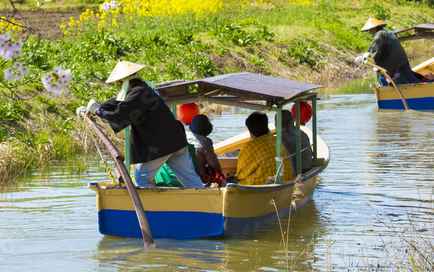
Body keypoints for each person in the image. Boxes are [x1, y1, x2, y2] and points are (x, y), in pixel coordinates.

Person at [79, 60, 204, 189]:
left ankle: (148, 203)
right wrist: (93, 109)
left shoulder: (138, 92)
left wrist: (98, 111)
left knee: (141, 177)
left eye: (119, 82)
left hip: (163, 144)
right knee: (191, 180)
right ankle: (206, 199)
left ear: (124, 80)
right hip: (176, 141)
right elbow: (118, 102)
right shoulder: (143, 89)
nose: (119, 85)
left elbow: (120, 114)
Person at [234, 112, 293, 186]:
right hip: (283, 182)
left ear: (250, 132)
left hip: (260, 187)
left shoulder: (250, 147)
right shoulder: (277, 141)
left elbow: (241, 175)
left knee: (233, 181)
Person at [359, 16, 420, 86]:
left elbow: (377, 48)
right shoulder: (385, 32)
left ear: (375, 28)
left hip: (393, 60)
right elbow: (374, 45)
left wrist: (372, 57)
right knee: (409, 77)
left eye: (371, 29)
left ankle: (385, 90)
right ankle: (420, 88)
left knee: (384, 77)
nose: (370, 31)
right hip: (402, 58)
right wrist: (366, 53)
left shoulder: (380, 34)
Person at [187, 114, 226, 186]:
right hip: (198, 177)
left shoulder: (185, 137)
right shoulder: (206, 143)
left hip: (185, 175)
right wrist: (221, 176)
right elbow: (214, 164)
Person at [280, 109, 313, 175]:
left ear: (277, 124)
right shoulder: (302, 133)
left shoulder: (282, 139)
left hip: (297, 171)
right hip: (308, 167)